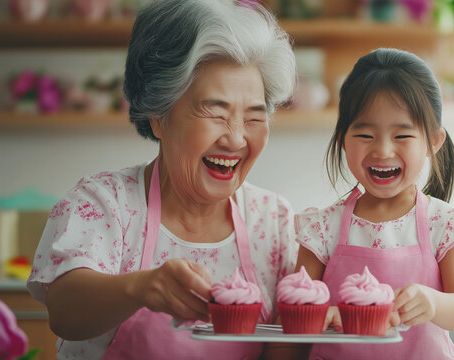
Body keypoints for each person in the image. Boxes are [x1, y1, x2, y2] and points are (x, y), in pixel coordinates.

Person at [26, 0, 297, 359]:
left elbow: (285, 342)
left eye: (253, 117)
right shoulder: (103, 203)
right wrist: (143, 287)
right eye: (214, 113)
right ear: (158, 116)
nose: (235, 139)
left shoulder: (272, 219)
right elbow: (64, 312)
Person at [294, 48, 454, 359]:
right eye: (365, 134)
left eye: (402, 135)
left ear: (433, 141)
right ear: (342, 138)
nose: (382, 150)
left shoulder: (445, 224)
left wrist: (433, 302)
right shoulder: (321, 228)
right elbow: (294, 307)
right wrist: (319, 316)